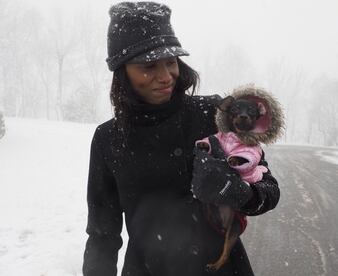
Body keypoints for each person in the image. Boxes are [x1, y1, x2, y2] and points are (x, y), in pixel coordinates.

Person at [82, 2, 281, 276]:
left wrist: (238, 192)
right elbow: (102, 234)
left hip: (222, 269)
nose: (165, 77)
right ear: (122, 71)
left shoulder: (214, 114)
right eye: (149, 66)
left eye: (170, 62)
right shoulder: (108, 139)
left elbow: (269, 190)